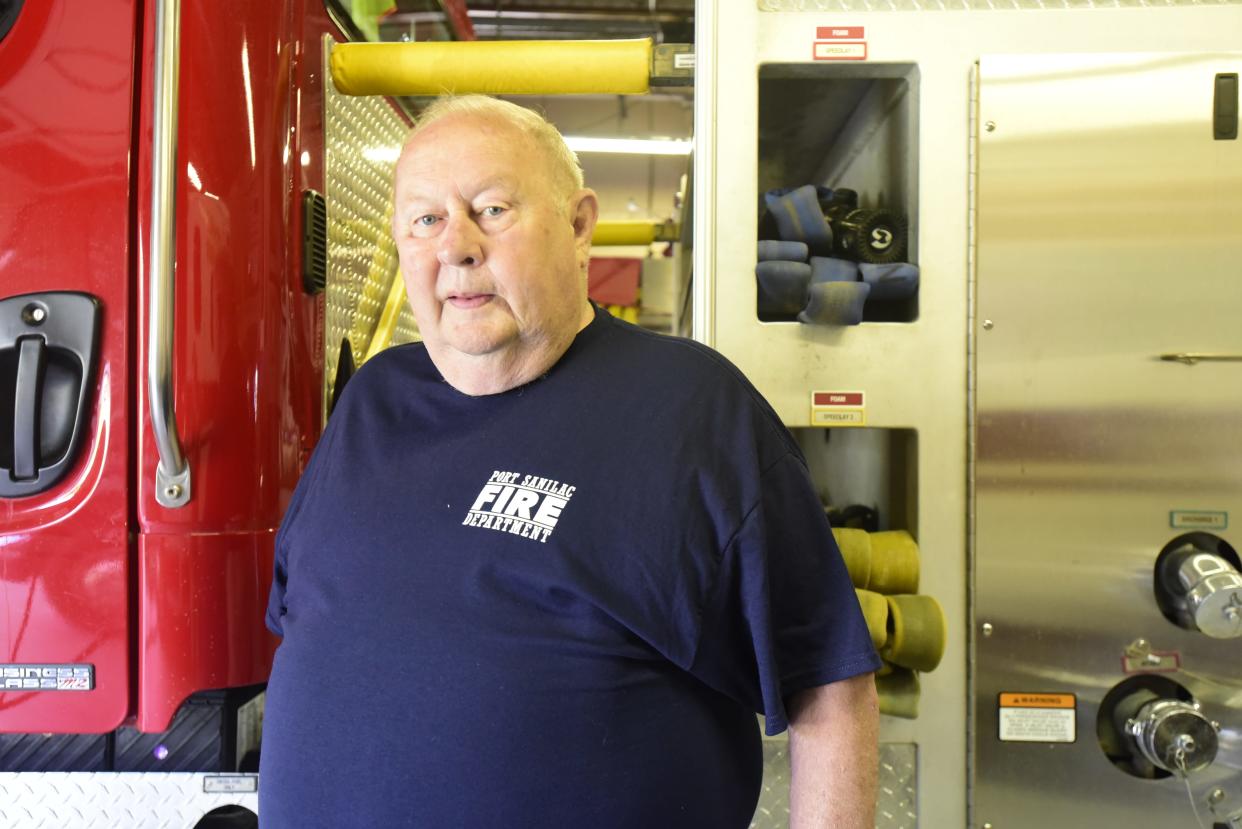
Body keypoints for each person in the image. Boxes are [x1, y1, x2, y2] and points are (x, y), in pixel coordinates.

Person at [259, 95, 881, 828]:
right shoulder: (371, 402)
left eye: (490, 209)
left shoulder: (691, 410)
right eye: (425, 219)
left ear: (580, 225)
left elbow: (830, 687)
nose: (455, 245)